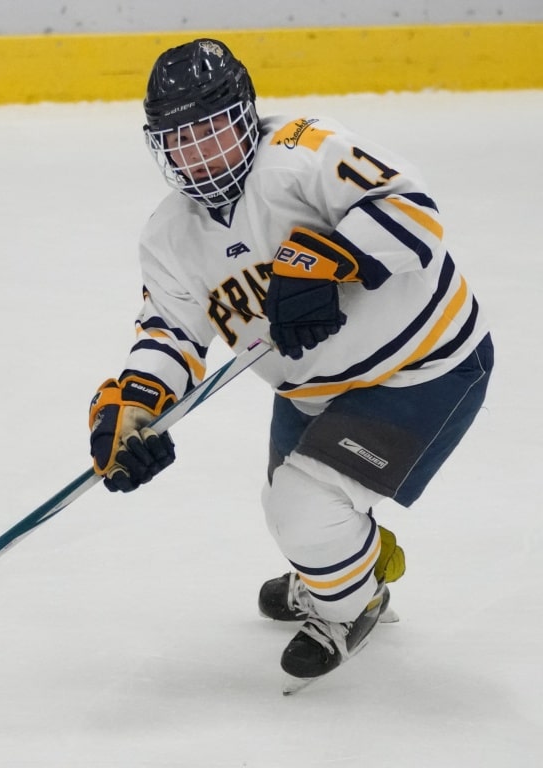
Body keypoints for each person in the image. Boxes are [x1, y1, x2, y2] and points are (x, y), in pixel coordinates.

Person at [87, 38, 493, 688]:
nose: (200, 153)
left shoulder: (306, 153)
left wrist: (335, 254)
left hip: (422, 368)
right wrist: (133, 408)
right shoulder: (170, 237)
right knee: (298, 513)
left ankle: (353, 602)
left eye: (213, 130)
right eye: (180, 139)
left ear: (246, 117)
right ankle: (352, 565)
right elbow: (170, 333)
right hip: (311, 391)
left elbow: (414, 214)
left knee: (303, 511)